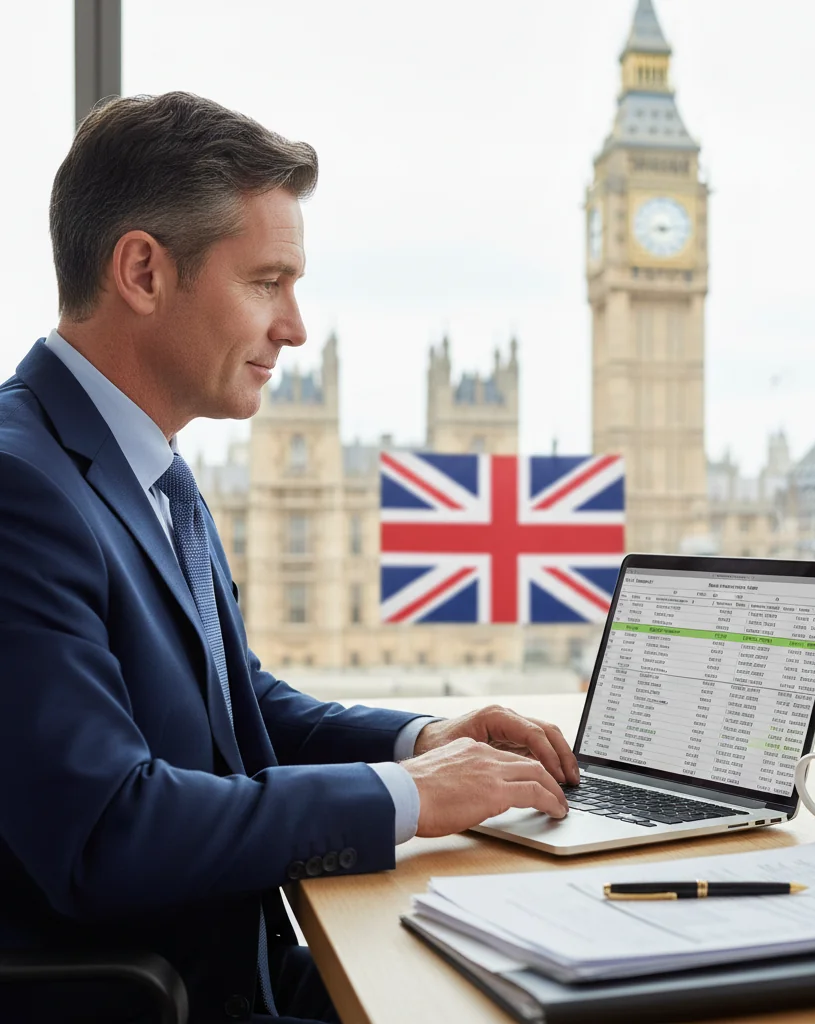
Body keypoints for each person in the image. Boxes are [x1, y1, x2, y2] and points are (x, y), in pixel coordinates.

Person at [0, 91, 577, 1024]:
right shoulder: (19, 487)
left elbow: (239, 708)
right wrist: (405, 798)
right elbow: (107, 828)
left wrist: (424, 743)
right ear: (143, 271)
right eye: (268, 281)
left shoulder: (143, 469)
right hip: (170, 999)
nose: (296, 326)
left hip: (238, 970)